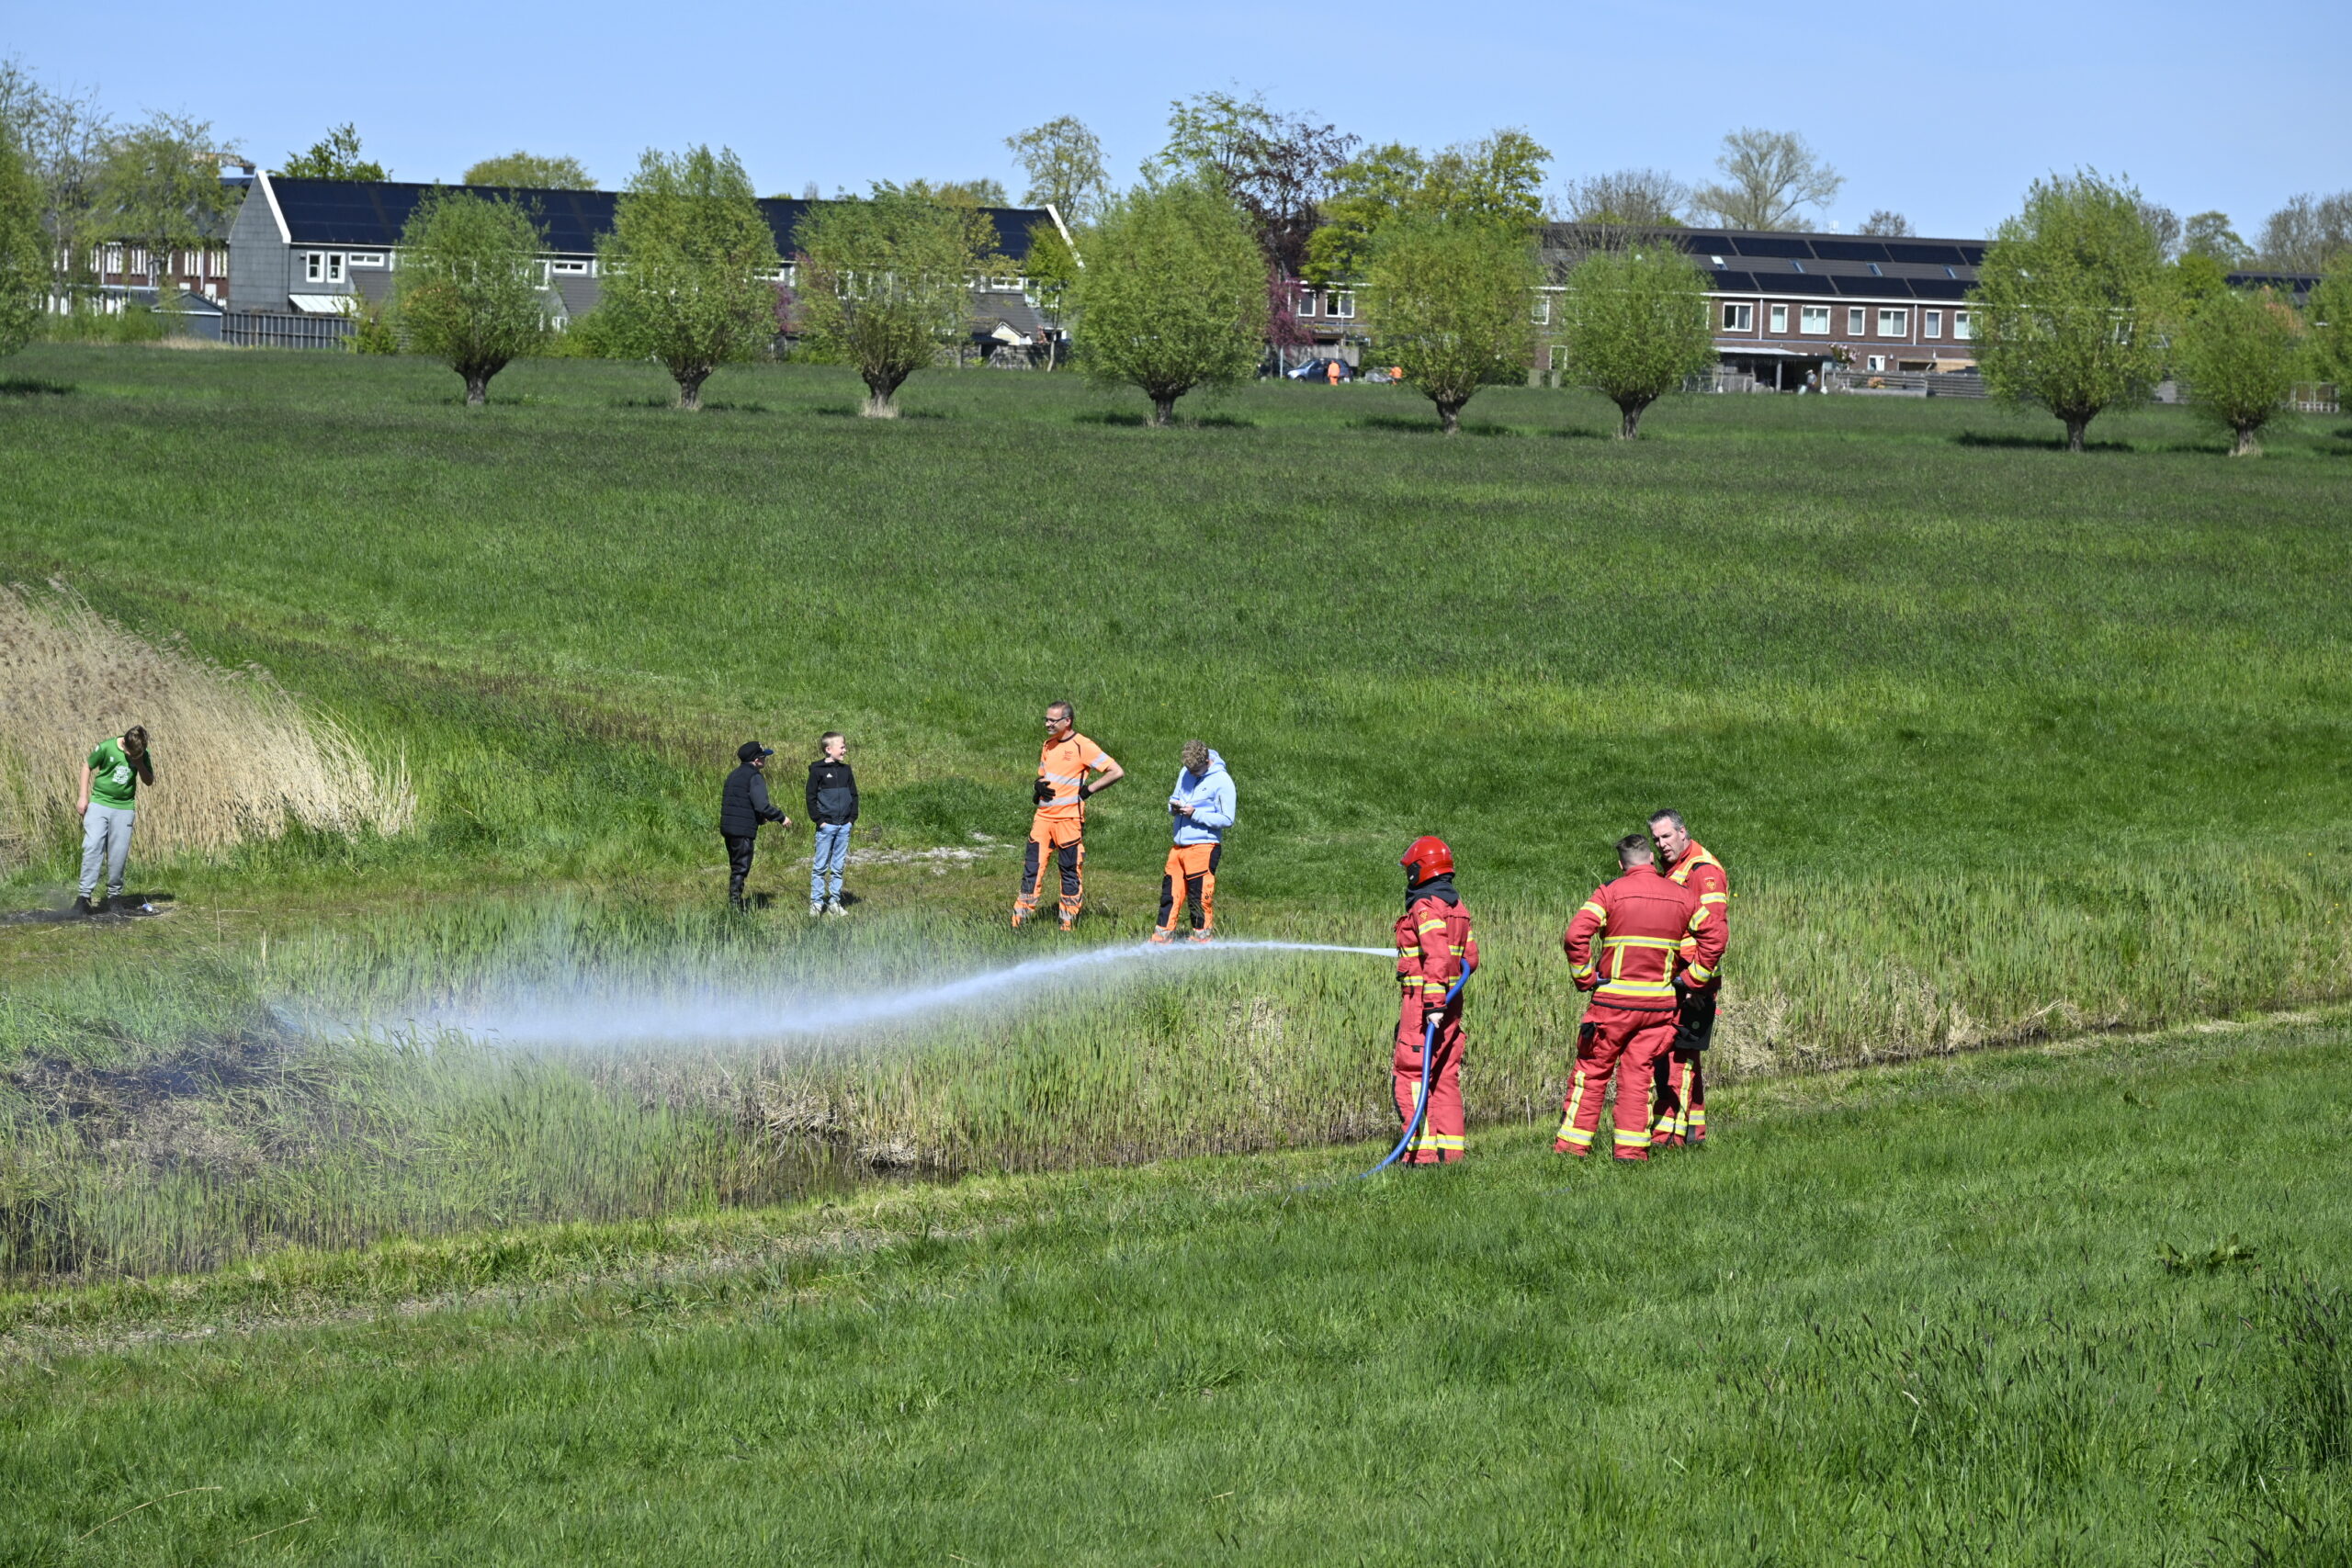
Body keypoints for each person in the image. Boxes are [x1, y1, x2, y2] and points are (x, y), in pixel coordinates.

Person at [1556, 834, 1724, 1160]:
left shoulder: (1609, 892)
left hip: (1612, 1007)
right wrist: (1694, 977)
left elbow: (1575, 935)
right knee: (1638, 1078)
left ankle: (1571, 1151)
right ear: (1650, 859)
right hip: (1659, 1009)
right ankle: (1631, 1153)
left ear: (1621, 865)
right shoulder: (1681, 895)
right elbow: (1715, 937)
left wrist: (1584, 978)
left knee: (1591, 1074)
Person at [1392, 835, 1477, 1164]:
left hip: (1424, 1006)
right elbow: (1471, 958)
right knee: (1443, 1077)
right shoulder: (1458, 907)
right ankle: (1451, 1154)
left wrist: (1433, 1005)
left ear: (1420, 870)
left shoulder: (1425, 906)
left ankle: (1421, 1156)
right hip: (1450, 1007)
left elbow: (1438, 955)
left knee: (1411, 1075)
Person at [1648, 808, 1729, 1147]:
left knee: (1675, 1060)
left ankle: (1667, 1140)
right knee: (1687, 1058)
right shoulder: (1676, 869)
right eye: (1656, 839)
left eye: (1667, 836)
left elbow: (1714, 934)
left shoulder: (1702, 871)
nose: (1662, 844)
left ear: (1683, 833)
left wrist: (1693, 982)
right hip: (1682, 978)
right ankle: (1694, 1136)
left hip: (1691, 982)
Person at [1013, 701, 1123, 931]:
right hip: (1043, 819)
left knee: (1069, 872)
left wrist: (1088, 790)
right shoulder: (1048, 745)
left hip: (1069, 821)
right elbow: (1044, 775)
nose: (1048, 724)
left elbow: (1116, 771)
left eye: (1053, 720)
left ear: (1067, 721)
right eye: (1046, 719)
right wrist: (1037, 787)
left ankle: (1067, 924)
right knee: (1032, 870)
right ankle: (1018, 923)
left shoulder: (1083, 745)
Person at [1152, 740, 1234, 943]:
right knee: (1169, 895)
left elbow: (1227, 819)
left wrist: (1195, 814)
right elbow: (1174, 796)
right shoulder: (1186, 772)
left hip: (1204, 848)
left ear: (1207, 761)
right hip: (1178, 847)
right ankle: (1161, 939)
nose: (1192, 774)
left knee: (1199, 899)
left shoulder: (1223, 781)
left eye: (1196, 770)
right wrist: (1174, 807)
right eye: (1190, 770)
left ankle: (1202, 941)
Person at [75, 725, 153, 916]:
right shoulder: (106, 747)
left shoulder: (142, 754)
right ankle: (84, 898)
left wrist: (140, 763)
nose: (131, 756)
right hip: (99, 804)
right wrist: (83, 796)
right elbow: (87, 766)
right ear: (124, 743)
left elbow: (149, 781)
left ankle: (114, 898)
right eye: (130, 753)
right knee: (93, 846)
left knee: (118, 853)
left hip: (124, 808)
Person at [718, 741, 791, 910]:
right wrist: (781, 818)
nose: (766, 759)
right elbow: (761, 805)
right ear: (757, 760)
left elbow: (741, 802)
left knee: (735, 865)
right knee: (741, 867)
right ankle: (735, 907)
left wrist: (759, 819)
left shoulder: (734, 774)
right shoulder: (754, 777)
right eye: (764, 756)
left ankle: (734, 903)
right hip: (742, 829)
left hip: (729, 827)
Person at [805, 732, 858, 917]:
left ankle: (834, 901)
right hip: (826, 826)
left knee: (838, 867)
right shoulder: (817, 771)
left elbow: (854, 795)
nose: (845, 750)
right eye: (842, 747)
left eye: (844, 746)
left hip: (844, 826)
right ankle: (817, 903)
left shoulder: (846, 770)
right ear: (829, 749)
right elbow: (810, 798)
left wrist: (851, 819)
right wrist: (819, 822)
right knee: (820, 866)